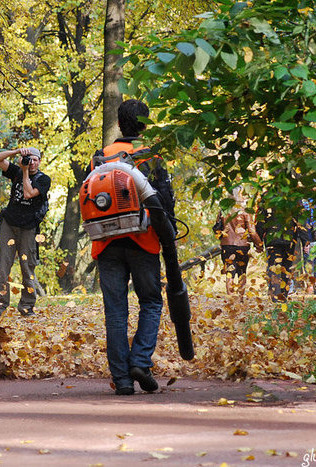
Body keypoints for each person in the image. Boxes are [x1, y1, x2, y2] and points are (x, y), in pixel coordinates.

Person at [90, 99, 177, 395]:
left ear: (118, 123)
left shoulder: (100, 157)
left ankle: (123, 380)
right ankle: (140, 360)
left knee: (115, 312)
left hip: (106, 242)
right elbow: (162, 200)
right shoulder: (149, 155)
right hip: (143, 241)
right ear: (144, 124)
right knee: (151, 302)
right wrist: (169, 236)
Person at [0, 147, 51, 316]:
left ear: (39, 161)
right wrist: (16, 152)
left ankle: (27, 306)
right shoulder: (16, 171)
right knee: (2, 266)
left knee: (27, 267)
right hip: (9, 224)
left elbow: (28, 193)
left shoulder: (44, 179)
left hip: (28, 228)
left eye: (35, 159)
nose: (31, 163)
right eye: (29, 159)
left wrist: (24, 172)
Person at [216, 186, 263, 300]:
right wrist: (259, 245)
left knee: (229, 271)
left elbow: (217, 227)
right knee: (242, 271)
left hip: (227, 244)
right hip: (243, 245)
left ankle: (231, 298)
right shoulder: (245, 211)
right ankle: (241, 297)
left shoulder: (224, 209)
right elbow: (252, 231)